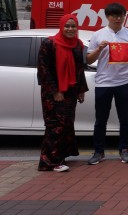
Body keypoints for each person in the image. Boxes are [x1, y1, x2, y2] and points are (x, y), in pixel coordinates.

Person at [86, 2, 128, 165]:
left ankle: (124, 150)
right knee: (101, 119)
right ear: (107, 17)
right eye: (114, 16)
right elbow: (89, 59)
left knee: (125, 118)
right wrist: (99, 49)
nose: (118, 19)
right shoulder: (98, 35)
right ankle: (98, 152)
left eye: (121, 15)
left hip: (124, 81)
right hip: (103, 82)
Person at [37, 14, 88, 172]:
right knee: (55, 125)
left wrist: (81, 90)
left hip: (71, 92)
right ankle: (49, 162)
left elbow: (79, 69)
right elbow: (43, 70)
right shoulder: (49, 43)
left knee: (66, 124)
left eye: (73, 26)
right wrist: (55, 91)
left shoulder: (77, 45)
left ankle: (60, 156)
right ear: (61, 27)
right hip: (53, 93)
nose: (70, 29)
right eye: (67, 26)